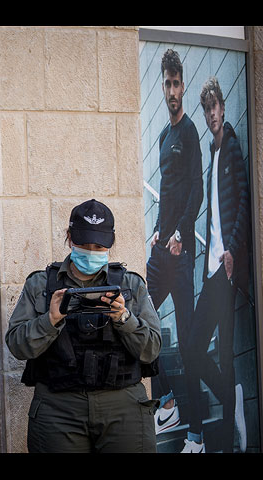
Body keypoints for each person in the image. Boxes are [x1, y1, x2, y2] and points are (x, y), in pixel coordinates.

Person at [5, 199, 161, 453]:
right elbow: (17, 346)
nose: (91, 250)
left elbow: (152, 349)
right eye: (83, 243)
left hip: (122, 406)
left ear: (111, 242)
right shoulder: (40, 285)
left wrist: (123, 317)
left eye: (98, 245)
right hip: (59, 408)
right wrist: (50, 319)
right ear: (69, 237)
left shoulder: (131, 285)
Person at [180, 76, 251, 453]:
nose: (210, 114)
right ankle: (232, 395)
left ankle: (227, 431)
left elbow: (242, 201)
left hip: (226, 268)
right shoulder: (212, 150)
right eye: (206, 109)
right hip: (211, 271)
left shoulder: (233, 146)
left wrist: (232, 250)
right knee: (193, 347)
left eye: (214, 107)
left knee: (216, 352)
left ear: (223, 107)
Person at [147, 49, 203, 436]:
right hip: (161, 250)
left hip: (182, 257)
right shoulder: (165, 135)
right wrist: (157, 228)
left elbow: (196, 190)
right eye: (166, 83)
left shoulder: (189, 132)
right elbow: (166, 194)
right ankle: (166, 402)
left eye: (176, 83)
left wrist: (183, 232)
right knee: (139, 320)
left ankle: (197, 434)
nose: (171, 90)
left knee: (187, 346)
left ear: (184, 86)